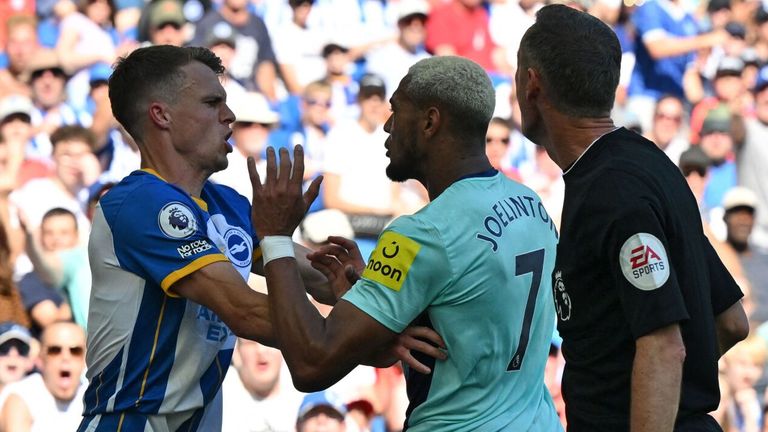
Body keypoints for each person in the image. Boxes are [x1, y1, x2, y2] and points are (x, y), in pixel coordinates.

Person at [77, 45, 433, 432]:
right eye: (212, 102)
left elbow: (317, 277)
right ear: (161, 115)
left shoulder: (226, 204)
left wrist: (358, 288)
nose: (229, 116)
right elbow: (244, 310)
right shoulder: (138, 203)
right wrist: (365, 339)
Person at [249, 55, 562, 430]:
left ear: (430, 122)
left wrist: (276, 238)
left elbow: (311, 363)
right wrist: (378, 294)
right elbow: (467, 304)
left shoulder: (423, 233)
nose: (386, 126)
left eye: (396, 111)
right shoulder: (531, 204)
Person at [515, 5, 748, 431]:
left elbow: (663, 348)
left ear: (531, 84)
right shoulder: (647, 164)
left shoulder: (612, 191)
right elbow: (730, 320)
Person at [0, 321, 87, 432]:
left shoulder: (96, 397)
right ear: (40, 358)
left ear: (86, 359)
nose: (65, 357)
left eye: (75, 351)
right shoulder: (21, 396)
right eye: (55, 350)